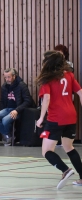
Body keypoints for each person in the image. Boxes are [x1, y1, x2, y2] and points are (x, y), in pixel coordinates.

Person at [36, 50, 82, 189]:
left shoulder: (47, 79)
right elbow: (80, 93)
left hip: (56, 118)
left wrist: (41, 118)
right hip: (71, 116)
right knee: (69, 147)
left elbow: (47, 99)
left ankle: (65, 170)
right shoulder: (69, 75)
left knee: (46, 151)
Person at [0, 68, 34, 146]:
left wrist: (17, 110)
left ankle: (8, 137)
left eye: (9, 77)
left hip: (18, 110)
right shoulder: (4, 86)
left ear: (14, 76)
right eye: (5, 77)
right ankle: (8, 135)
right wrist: (1, 111)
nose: (7, 79)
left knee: (4, 120)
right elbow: (3, 102)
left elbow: (28, 101)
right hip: (7, 109)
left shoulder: (21, 85)